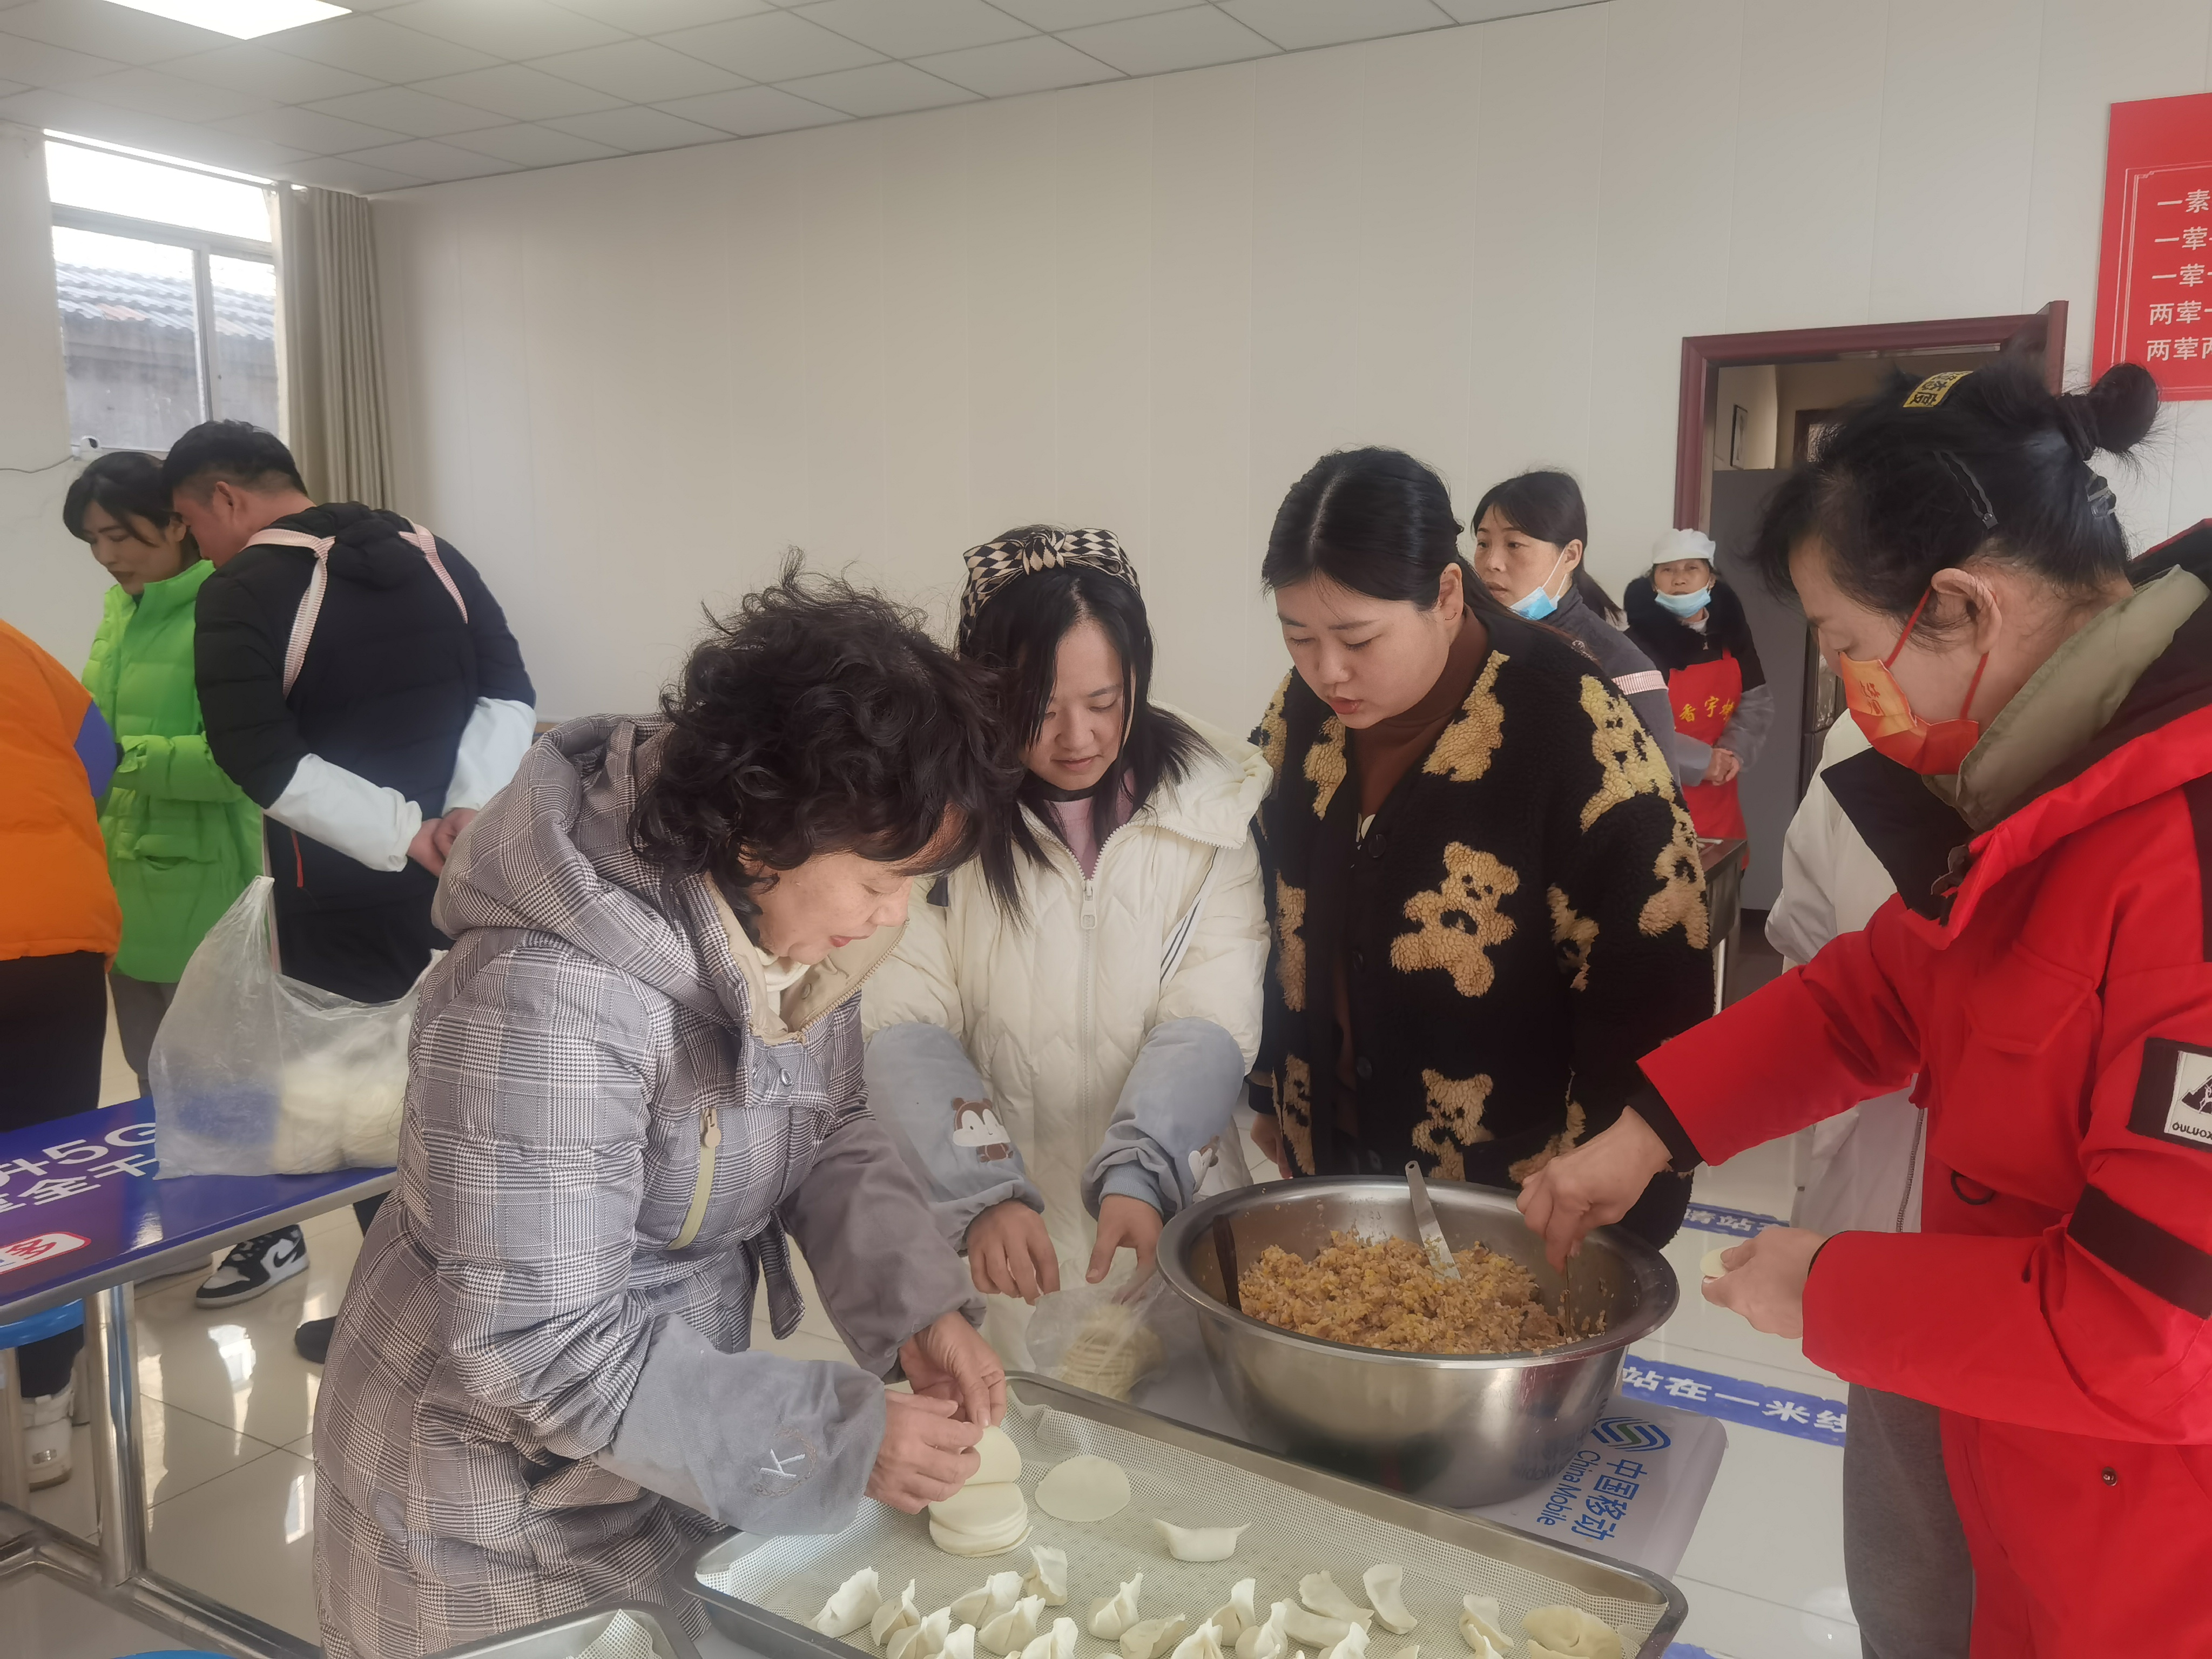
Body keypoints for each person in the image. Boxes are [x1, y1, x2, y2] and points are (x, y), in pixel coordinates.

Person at [1518, 360, 2211, 1656]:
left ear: (1959, 604)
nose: (1843, 682)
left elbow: (2157, 1332)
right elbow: (1880, 989)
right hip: (2033, 1463)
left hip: (2156, 1547)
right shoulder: (2055, 781)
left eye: (1845, 641)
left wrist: (1830, 1285)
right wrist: (1651, 1127)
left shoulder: (2182, 844)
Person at [312, 569, 1012, 1658]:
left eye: (912, 886)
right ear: (762, 832)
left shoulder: (783, 925)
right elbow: (539, 1345)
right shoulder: (548, 995)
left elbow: (824, 1126)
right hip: (485, 1508)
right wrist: (832, 1438)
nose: (893, 918)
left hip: (657, 1434)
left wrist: (919, 1309)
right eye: (880, 882)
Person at [1246, 447, 1710, 1246]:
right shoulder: (1304, 710)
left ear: (1446, 594)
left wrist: (1617, 1191)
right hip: (1333, 1152)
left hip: (1516, 1195)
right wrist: (1271, 1091)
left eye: (1358, 638)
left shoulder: (1570, 723)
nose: (1328, 672)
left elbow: (1654, 970)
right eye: (1298, 637)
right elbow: (1269, 900)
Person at [166, 422, 534, 1348]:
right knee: (471, 1096)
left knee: (367, 1117)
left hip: (337, 894)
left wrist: (405, 835)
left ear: (225, 498)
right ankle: (494, 1314)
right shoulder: (433, 552)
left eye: (190, 522)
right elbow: (508, 692)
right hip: (467, 879)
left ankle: (411, 1326)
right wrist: (461, 818)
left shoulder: (242, 589)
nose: (195, 546)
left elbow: (260, 758)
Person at [863, 527, 1269, 1363]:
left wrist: (1146, 1168)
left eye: (1104, 701)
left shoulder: (1211, 816)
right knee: (1021, 1418)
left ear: (1137, 680)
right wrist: (982, 1192)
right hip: (1002, 1235)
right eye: (1039, 710)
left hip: (1170, 1205)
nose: (1076, 736)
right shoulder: (936, 822)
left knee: (1182, 1416)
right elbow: (902, 1027)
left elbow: (1210, 1017)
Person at [1766, 709, 1962, 1659]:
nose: (1864, 680)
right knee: (1908, 1589)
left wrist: (1833, 1287)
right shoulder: (1865, 739)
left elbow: (2135, 1325)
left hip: (2051, 1305)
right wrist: (1657, 1124)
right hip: (1892, 1252)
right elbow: (1841, 985)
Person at [64, 451, 260, 1097]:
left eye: (119, 535)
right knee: (147, 1072)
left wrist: (119, 757)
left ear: (177, 523)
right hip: (119, 888)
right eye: (93, 539)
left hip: (200, 885)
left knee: (212, 1084)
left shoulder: (222, 611)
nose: (106, 555)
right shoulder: (119, 612)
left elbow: (235, 766)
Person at [0, 618, 122, 1488]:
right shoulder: (13, 646)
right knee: (50, 1169)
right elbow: (98, 755)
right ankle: (49, 1396)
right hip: (63, 931)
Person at [1468, 469, 1689, 784]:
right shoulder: (1467, 642)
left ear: (1570, 555)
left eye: (1514, 544)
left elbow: (1659, 801)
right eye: (1483, 543)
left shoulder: (1619, 667)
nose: (1492, 562)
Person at [1623, 529, 1773, 842]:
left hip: (1721, 808)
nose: (1679, 579)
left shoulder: (1732, 635)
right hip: (1657, 810)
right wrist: (1701, 763)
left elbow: (1756, 703)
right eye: (1668, 570)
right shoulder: (1633, 647)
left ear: (1711, 579)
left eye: (1691, 568)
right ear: (1654, 583)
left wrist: (1732, 754)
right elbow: (1631, 727)